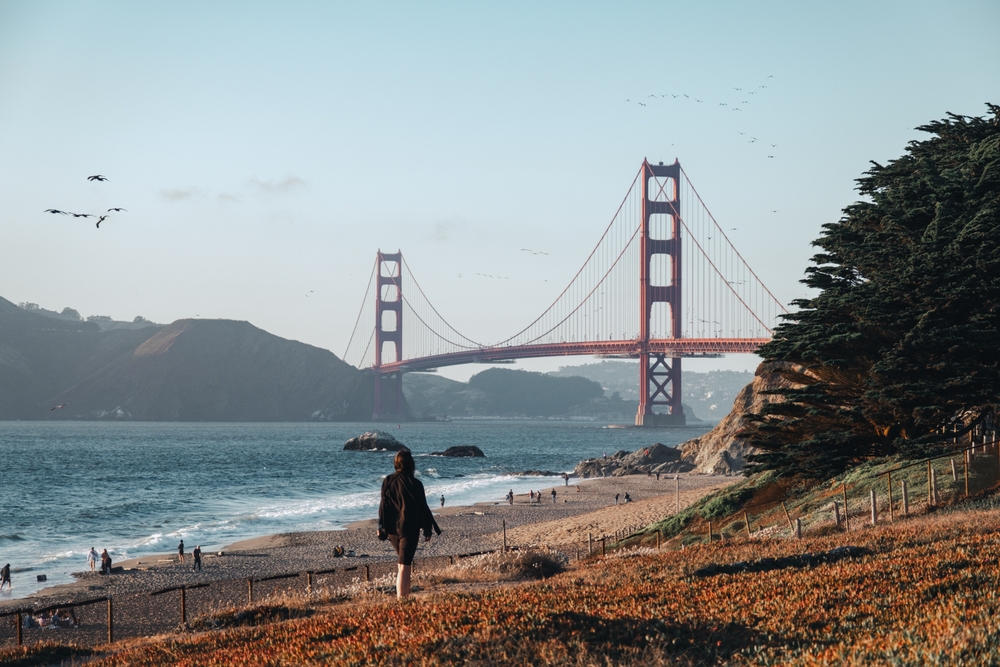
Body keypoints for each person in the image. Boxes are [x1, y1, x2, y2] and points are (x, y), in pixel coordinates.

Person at [378, 449, 438, 598]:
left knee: (401, 564)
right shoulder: (416, 483)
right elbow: (423, 507)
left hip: (392, 528)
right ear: (411, 463)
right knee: (405, 566)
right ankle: (402, 600)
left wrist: (381, 526)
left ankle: (404, 596)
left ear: (396, 463)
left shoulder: (388, 480)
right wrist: (427, 529)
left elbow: (383, 506)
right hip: (409, 528)